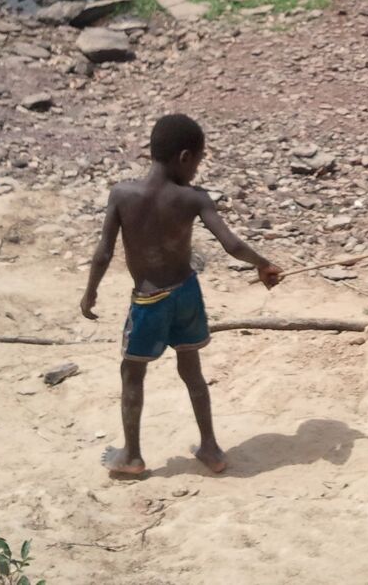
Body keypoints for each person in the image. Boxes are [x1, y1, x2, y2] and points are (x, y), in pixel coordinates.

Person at [81, 113, 282, 478]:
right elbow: (232, 244)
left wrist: (90, 293)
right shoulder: (193, 198)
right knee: (192, 372)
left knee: (132, 373)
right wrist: (263, 264)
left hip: (149, 301)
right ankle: (210, 448)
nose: (197, 170)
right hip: (186, 295)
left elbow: (103, 253)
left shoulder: (123, 194)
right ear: (186, 157)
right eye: (199, 161)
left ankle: (132, 456)